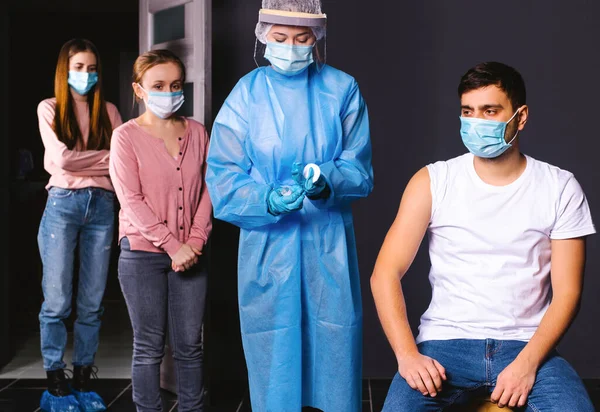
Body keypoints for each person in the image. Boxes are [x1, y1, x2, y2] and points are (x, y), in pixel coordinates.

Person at [371, 61, 596, 411]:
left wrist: (527, 363)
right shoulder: (433, 181)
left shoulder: (560, 187)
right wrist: (407, 356)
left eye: (490, 111)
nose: (476, 122)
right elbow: (384, 273)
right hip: (445, 343)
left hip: (527, 344)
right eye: (468, 111)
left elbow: (569, 292)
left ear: (520, 117)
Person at [205, 1, 374, 411]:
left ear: (317, 39)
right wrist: (265, 198)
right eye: (281, 39)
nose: (292, 48)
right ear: (263, 36)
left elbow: (359, 167)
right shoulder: (247, 93)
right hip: (268, 243)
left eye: (302, 39)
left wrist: (326, 181)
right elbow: (223, 174)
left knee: (333, 338)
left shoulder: (342, 88)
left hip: (326, 239)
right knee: (273, 344)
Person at [109, 49, 212, 412]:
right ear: (139, 90)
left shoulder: (198, 132)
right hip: (141, 255)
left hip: (191, 253)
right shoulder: (124, 138)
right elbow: (131, 201)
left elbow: (207, 190)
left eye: (175, 85)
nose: (168, 92)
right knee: (149, 346)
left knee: (189, 345)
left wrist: (194, 242)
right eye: (158, 85)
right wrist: (173, 246)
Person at [37, 38, 122, 412]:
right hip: (62, 205)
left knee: (91, 301)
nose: (85, 74)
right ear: (64, 71)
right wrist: (97, 160)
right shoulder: (49, 108)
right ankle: (55, 375)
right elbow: (62, 161)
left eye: (90, 68)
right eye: (77, 67)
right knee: (56, 299)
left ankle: (84, 374)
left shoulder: (110, 112)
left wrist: (77, 161)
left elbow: (119, 164)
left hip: (103, 207)